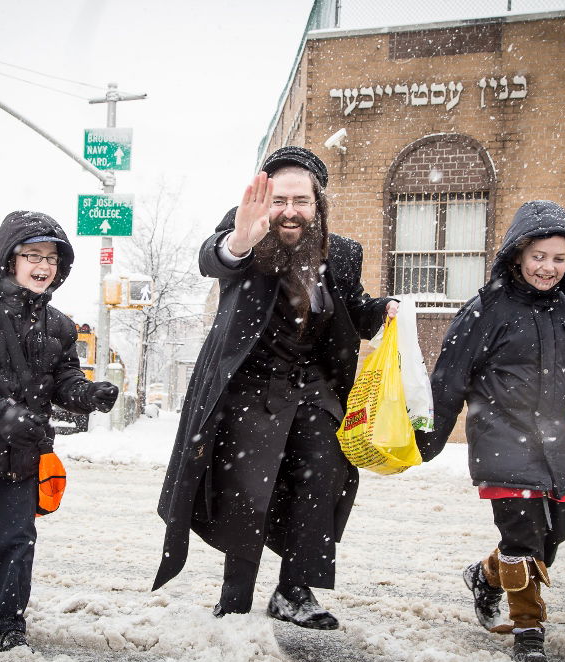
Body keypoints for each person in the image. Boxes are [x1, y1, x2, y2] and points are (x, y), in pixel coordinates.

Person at [152, 147, 397, 629]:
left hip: (316, 390)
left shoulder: (341, 252)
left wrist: (385, 309)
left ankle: (294, 591)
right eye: (281, 199)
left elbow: (353, 309)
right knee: (249, 489)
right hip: (251, 388)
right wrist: (241, 238)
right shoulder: (250, 228)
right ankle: (235, 595)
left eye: (301, 201)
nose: (289, 211)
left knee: (321, 482)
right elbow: (215, 257)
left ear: (317, 204)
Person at [416, 201, 565, 662]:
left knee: (549, 542)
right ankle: (529, 631)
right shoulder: (486, 310)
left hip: (551, 444)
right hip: (501, 438)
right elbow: (449, 380)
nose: (548, 268)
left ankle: (484, 575)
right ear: (519, 254)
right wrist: (429, 435)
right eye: (539, 256)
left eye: (558, 259)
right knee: (523, 539)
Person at [0, 210, 118, 653]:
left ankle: (8, 625)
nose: (43, 265)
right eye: (32, 254)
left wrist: (88, 395)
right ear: (8, 260)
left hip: (24, 456)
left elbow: (63, 382)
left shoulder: (60, 326)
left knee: (15, 542)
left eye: (52, 258)